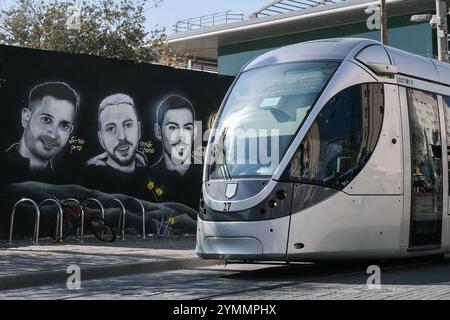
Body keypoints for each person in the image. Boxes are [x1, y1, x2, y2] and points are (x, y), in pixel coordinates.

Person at [2, 82, 79, 183]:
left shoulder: (62, 185)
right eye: (46, 119)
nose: (53, 135)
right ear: (26, 117)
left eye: (64, 125)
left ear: (70, 131)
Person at [146, 95, 202, 209]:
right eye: (172, 127)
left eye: (187, 128)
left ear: (194, 132)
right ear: (158, 131)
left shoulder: (206, 174)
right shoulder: (149, 176)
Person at [84, 93, 147, 194]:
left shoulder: (151, 178)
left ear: (139, 130)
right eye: (110, 128)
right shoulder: (89, 183)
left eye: (128, 125)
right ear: (101, 139)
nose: (122, 137)